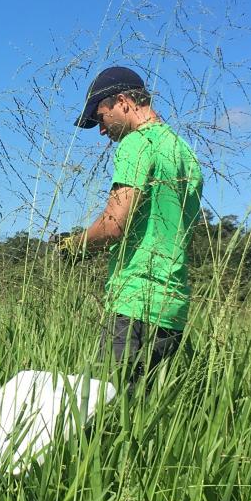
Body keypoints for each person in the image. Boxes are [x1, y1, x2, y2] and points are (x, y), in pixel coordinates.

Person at [58, 66, 204, 381]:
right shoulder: (184, 151)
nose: (101, 130)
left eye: (100, 117)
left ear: (123, 101)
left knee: (108, 403)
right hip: (173, 307)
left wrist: (73, 246)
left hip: (134, 303)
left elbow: (114, 225)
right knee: (147, 406)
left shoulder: (136, 144)